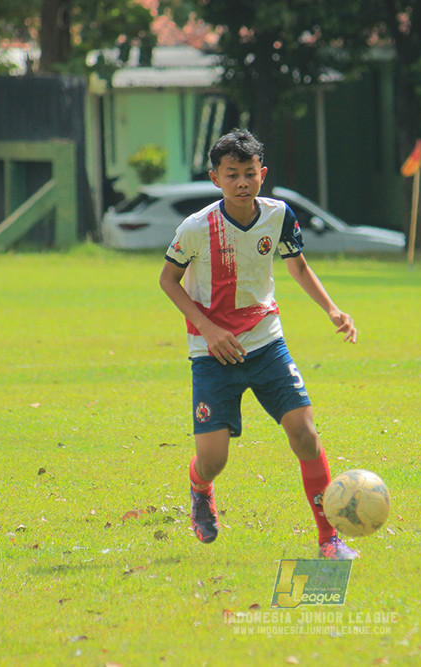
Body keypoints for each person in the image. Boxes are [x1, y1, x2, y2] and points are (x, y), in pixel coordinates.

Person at [159, 128, 360, 560]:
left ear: (262, 174)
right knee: (213, 460)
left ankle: (329, 538)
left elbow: (299, 267)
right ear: (216, 178)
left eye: (250, 173)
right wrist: (208, 329)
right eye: (232, 175)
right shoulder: (196, 228)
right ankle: (199, 487)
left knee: (305, 434)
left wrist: (333, 310)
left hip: (267, 343)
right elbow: (168, 281)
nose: (242, 182)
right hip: (213, 353)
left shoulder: (278, 215)